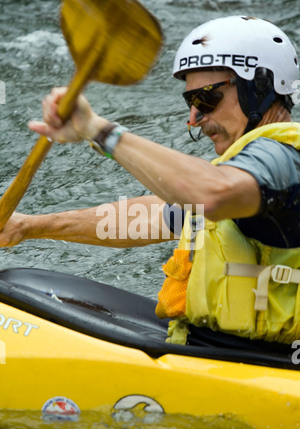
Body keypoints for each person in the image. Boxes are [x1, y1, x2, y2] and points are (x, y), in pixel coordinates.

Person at [1, 16, 300, 345]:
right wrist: (29, 227)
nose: (194, 118)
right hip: (208, 346)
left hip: (256, 363)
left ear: (258, 87)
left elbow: (211, 194)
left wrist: (100, 131)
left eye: (207, 98)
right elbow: (149, 217)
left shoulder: (283, 164)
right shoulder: (244, 174)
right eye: (190, 101)